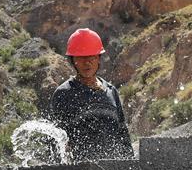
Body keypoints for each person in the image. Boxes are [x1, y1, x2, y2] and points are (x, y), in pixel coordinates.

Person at [49, 27, 134, 161]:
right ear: (73, 60)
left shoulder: (111, 92)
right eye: (81, 57)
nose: (87, 62)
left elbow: (123, 135)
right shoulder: (64, 94)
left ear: (99, 58)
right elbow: (57, 141)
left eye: (92, 57)